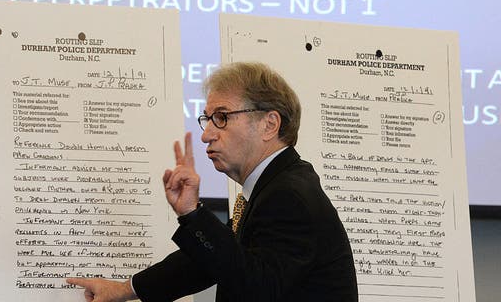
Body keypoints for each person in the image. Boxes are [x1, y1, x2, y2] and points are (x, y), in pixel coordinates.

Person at [67, 62, 358, 301]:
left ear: (269, 124)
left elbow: (255, 286)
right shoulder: (274, 185)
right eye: (206, 119)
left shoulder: (288, 195)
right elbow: (209, 263)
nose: (207, 134)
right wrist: (123, 289)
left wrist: (194, 215)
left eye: (221, 117)